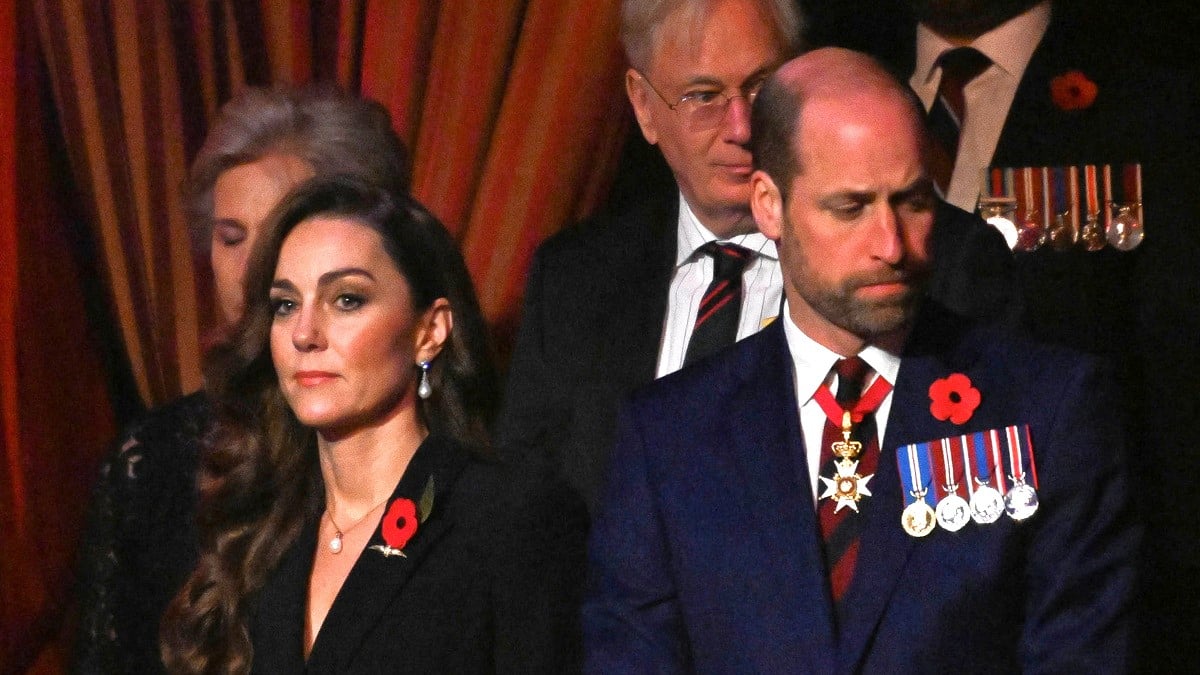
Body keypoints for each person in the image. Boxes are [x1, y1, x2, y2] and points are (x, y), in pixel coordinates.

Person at [583, 48, 1137, 671]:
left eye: (913, 202)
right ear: (769, 205)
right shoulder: (669, 437)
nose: (891, 245)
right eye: (849, 208)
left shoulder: (1049, 409)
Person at [498, 0, 1015, 515]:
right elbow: (529, 516)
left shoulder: (932, 261)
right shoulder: (576, 278)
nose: (743, 127)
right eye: (704, 96)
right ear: (643, 106)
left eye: (761, 88)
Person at [159, 176, 585, 673]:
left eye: (346, 300)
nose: (304, 334)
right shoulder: (264, 526)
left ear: (429, 332)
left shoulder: (509, 516)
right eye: (286, 304)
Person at [74, 85, 411, 674]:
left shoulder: (440, 462)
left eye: (281, 230)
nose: (253, 266)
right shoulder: (151, 462)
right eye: (231, 237)